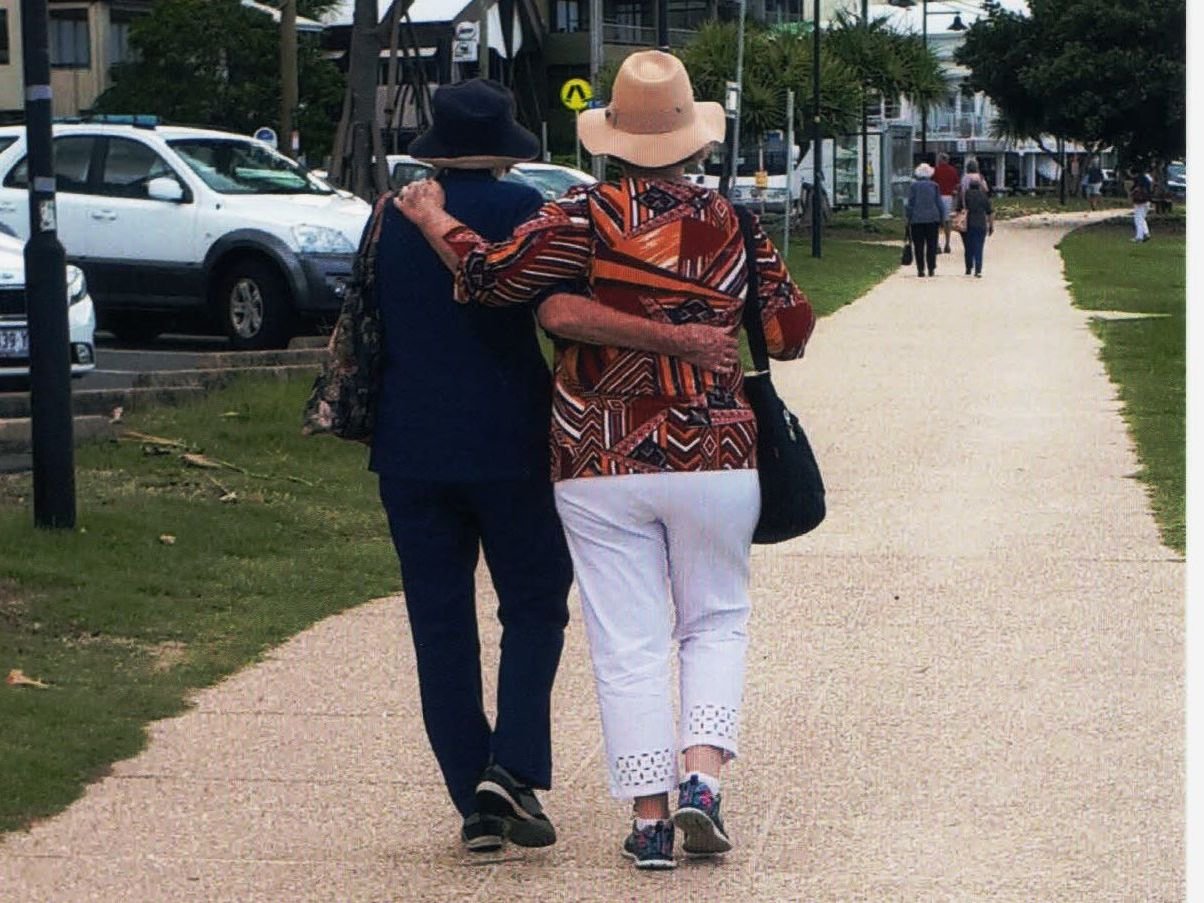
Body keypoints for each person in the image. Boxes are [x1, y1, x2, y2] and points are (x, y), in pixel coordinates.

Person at [396, 50, 815, 871]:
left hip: (601, 452)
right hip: (716, 449)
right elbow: (789, 334)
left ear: (610, 139)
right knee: (714, 619)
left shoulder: (580, 217)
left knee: (627, 639)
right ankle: (702, 780)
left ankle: (652, 821)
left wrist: (430, 216)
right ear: (693, 140)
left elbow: (487, 276)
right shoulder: (734, 221)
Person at [905, 162, 944, 277]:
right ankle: (931, 267)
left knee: (918, 245)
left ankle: (920, 269)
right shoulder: (935, 186)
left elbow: (910, 204)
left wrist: (908, 217)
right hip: (932, 219)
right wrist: (942, 218)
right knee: (932, 244)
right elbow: (939, 203)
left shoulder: (914, 186)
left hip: (917, 219)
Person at [955, 177, 994, 277]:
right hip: (981, 223)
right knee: (979, 247)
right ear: (979, 186)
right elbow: (990, 212)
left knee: (968, 247)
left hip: (967, 223)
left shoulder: (964, 195)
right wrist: (991, 225)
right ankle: (978, 269)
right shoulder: (984, 196)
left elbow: (958, 209)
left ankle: (968, 267)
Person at [933, 152, 960, 254]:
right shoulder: (953, 171)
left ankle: (937, 245)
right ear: (947, 160)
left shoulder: (935, 170)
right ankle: (947, 244)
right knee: (947, 221)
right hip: (948, 197)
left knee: (936, 221)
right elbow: (957, 185)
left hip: (937, 197)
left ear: (940, 160)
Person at [1130, 168, 1153, 242]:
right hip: (1147, 201)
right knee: (1142, 218)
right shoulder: (1147, 178)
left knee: (1138, 219)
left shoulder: (1138, 179)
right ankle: (1146, 233)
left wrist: (1131, 193)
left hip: (1139, 201)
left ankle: (1139, 237)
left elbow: (1135, 189)